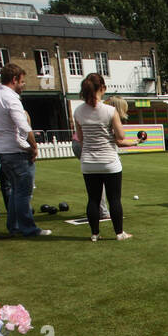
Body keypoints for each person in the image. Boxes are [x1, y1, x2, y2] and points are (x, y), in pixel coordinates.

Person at [0, 63, 49, 238]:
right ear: (14, 80)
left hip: (2, 151)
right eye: (22, 82)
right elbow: (23, 125)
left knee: (15, 190)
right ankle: (29, 229)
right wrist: (33, 146)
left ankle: (14, 226)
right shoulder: (11, 98)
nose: (23, 85)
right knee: (23, 192)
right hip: (17, 151)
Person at [72, 74, 131, 241]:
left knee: (93, 199)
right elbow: (120, 136)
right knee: (114, 199)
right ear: (102, 89)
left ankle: (94, 234)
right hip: (109, 161)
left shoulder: (78, 111)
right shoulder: (110, 111)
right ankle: (119, 233)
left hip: (89, 162)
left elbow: (81, 139)